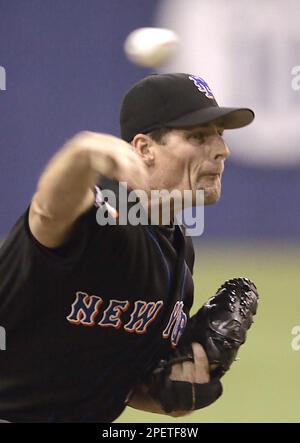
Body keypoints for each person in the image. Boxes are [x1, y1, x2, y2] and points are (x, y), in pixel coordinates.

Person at [0, 73, 255, 423]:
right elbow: (47, 212)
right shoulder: (99, 212)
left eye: (220, 135)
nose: (221, 150)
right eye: (198, 136)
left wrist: (172, 392)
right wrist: (82, 153)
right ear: (144, 148)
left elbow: (118, 380)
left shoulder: (177, 252)